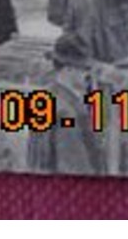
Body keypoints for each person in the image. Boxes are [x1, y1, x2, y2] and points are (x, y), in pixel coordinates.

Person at [26, 33, 105, 176]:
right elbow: (74, 170)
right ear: (68, 69)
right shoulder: (69, 113)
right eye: (84, 69)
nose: (89, 75)